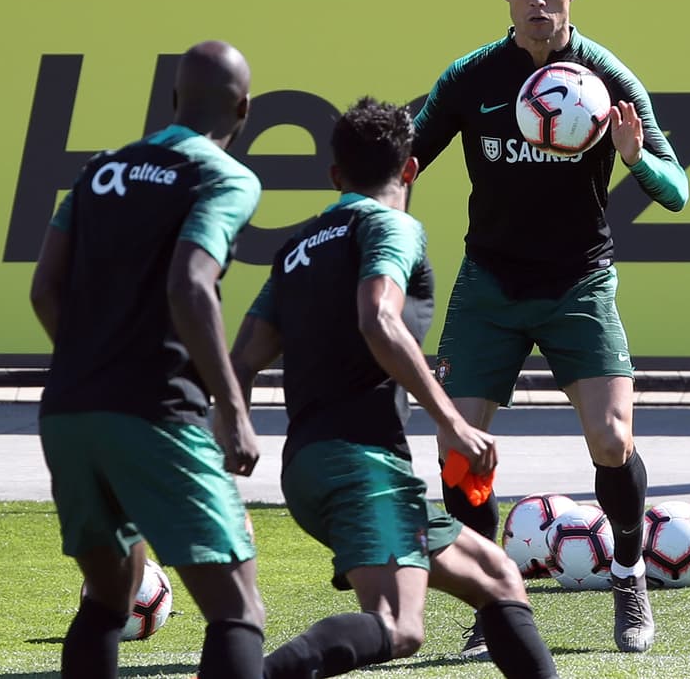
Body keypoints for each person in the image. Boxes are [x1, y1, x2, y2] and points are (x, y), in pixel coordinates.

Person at [412, 0, 690, 656]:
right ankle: (494, 599)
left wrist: (635, 160)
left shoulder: (606, 78)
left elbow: (678, 190)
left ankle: (628, 575)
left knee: (611, 438)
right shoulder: (470, 77)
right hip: (490, 285)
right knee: (460, 450)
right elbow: (405, 158)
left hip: (579, 282)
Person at [230, 98, 560, 679]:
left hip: (312, 464)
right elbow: (378, 319)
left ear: (335, 176)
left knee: (497, 576)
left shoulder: (296, 249)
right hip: (361, 465)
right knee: (398, 624)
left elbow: (244, 358)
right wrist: (454, 423)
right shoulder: (389, 224)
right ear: (410, 169)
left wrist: (226, 443)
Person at [30, 40, 266, 679]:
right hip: (158, 412)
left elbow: (42, 289)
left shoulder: (100, 170)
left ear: (172, 102)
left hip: (70, 411)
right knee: (237, 610)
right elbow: (190, 286)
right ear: (243, 108)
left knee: (106, 602)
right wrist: (232, 407)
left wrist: (94, 360)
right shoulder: (224, 176)